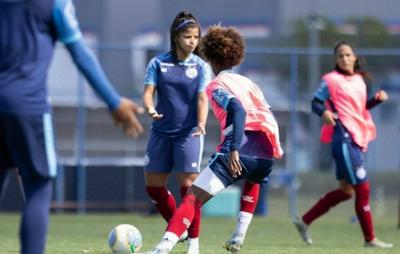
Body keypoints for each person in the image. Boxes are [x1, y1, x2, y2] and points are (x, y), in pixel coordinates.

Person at [0, 0, 144, 254]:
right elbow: (80, 53)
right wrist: (113, 101)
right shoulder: (55, 3)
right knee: (38, 184)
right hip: (28, 107)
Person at [140, 25, 283, 254]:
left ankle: (162, 248)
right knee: (252, 180)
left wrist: (235, 148)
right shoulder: (249, 83)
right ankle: (238, 236)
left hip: (239, 149)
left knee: (192, 198)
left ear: (209, 56)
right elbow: (265, 114)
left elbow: (237, 110)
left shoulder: (216, 85)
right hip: (265, 155)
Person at [293, 41, 393, 248]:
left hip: (357, 138)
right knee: (363, 188)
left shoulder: (359, 80)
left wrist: (376, 100)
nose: (345, 58)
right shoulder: (331, 80)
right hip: (343, 138)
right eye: (340, 55)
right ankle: (370, 239)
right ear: (335, 60)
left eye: (348, 55)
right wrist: (325, 112)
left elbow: (360, 108)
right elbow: (315, 102)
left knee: (347, 191)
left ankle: (304, 220)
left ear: (355, 57)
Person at [142, 10, 211, 254]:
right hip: (161, 132)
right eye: (188, 37)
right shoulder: (158, 63)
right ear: (175, 37)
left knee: (190, 188)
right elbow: (149, 92)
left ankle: (194, 243)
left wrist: (202, 122)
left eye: (196, 37)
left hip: (188, 133)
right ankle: (177, 226)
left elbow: (203, 97)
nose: (193, 41)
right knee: (153, 187)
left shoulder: (201, 66)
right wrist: (149, 108)